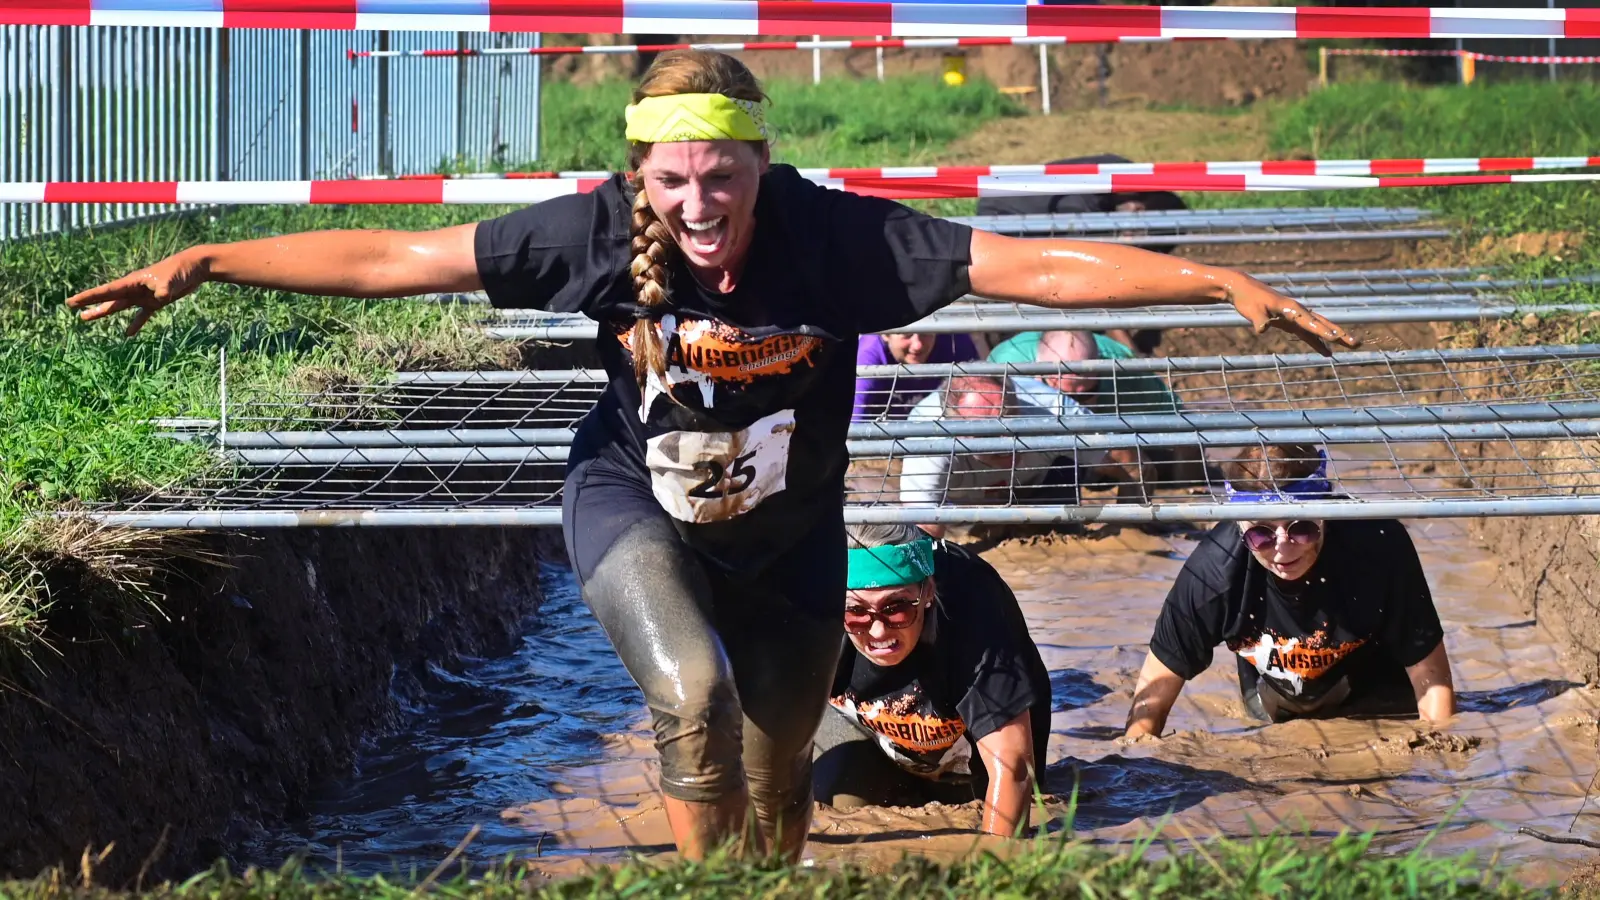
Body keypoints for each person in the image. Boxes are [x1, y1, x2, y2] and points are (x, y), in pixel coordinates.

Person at [65, 50, 1355, 861]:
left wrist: (1207, 275)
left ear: (759, 164)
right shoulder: (586, 234)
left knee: (781, 760)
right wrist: (206, 259)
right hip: (634, 505)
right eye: (673, 180)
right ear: (643, 176)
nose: (696, 203)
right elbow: (399, 258)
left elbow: (1030, 264)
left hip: (791, 539)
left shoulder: (842, 242)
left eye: (721, 175)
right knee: (693, 697)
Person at [1124, 444, 1455, 736]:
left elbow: (1428, 671)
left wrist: (1443, 761)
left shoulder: (1379, 547)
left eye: (1302, 528)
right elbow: (1153, 697)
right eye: (1261, 535)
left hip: (1376, 686)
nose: (1282, 549)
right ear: (1239, 526)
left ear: (1325, 512)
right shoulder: (1212, 573)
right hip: (1274, 697)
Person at [815, 523, 1051, 838]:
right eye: (856, 613)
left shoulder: (975, 611)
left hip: (969, 756)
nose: (878, 633)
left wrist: (995, 871)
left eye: (896, 609)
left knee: (993, 817)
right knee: (839, 810)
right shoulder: (815, 614)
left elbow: (1013, 767)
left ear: (928, 591)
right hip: (870, 737)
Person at [975, 153, 1189, 356]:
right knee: (1046, 285)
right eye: (1134, 230)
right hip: (1005, 216)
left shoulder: (1122, 174)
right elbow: (1088, 280)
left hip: (1018, 203)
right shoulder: (1082, 209)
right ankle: (1017, 348)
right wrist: (1129, 349)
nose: (1130, 234)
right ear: (1139, 208)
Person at [897, 374, 1099, 538]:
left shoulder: (1051, 410)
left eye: (1010, 421)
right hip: (962, 502)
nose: (1006, 441)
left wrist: (1126, 521)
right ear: (955, 431)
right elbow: (925, 527)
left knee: (1065, 539)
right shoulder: (929, 435)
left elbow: (1122, 456)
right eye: (988, 431)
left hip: (1040, 483)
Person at [852, 331, 979, 422]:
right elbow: (852, 426)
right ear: (885, 334)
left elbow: (980, 400)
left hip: (940, 431)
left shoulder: (956, 342)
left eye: (925, 332)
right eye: (907, 335)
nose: (918, 345)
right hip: (882, 436)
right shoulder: (866, 358)